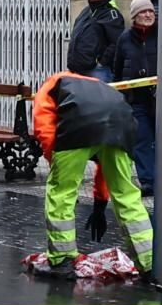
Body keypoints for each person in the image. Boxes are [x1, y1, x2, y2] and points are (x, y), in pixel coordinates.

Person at [31, 69, 155, 280]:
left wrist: (58, 165)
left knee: (62, 193)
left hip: (79, 124)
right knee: (126, 194)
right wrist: (99, 203)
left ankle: (62, 260)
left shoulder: (50, 85)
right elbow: (107, 169)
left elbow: (43, 129)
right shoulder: (98, 87)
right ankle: (150, 262)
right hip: (121, 124)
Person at [114, 0, 157, 194]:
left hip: (161, 98)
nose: (148, 15)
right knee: (142, 139)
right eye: (143, 12)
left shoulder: (161, 34)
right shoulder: (125, 39)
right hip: (137, 99)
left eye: (150, 11)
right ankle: (149, 182)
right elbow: (117, 68)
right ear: (134, 16)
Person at [67, 0, 124, 80]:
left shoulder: (111, 13)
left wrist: (101, 62)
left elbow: (117, 41)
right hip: (78, 69)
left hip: (97, 70)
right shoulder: (86, 11)